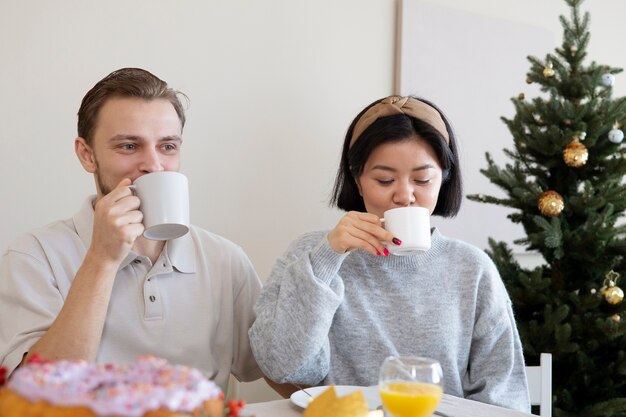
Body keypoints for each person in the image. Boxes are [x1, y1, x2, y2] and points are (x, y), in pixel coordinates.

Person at [249, 95, 530, 411]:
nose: (405, 195)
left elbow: (503, 397)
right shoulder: (312, 254)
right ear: (357, 179)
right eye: (384, 179)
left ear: (444, 177)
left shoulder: (472, 268)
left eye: (422, 179)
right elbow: (281, 366)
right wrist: (327, 258)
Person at [0, 68, 263, 391]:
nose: (153, 165)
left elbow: (283, 375)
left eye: (167, 146)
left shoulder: (223, 259)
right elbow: (35, 394)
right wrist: (102, 259)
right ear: (87, 154)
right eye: (128, 146)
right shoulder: (34, 256)